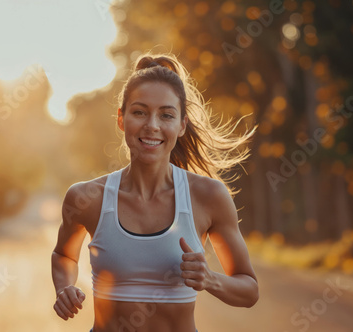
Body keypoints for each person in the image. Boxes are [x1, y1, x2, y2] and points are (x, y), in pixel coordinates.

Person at [51, 52, 259, 332]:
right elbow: (63, 255)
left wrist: (210, 279)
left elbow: (249, 289)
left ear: (182, 125)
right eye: (139, 112)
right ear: (121, 119)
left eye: (166, 115)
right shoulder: (86, 198)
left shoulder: (208, 197)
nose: (152, 125)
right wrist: (64, 287)